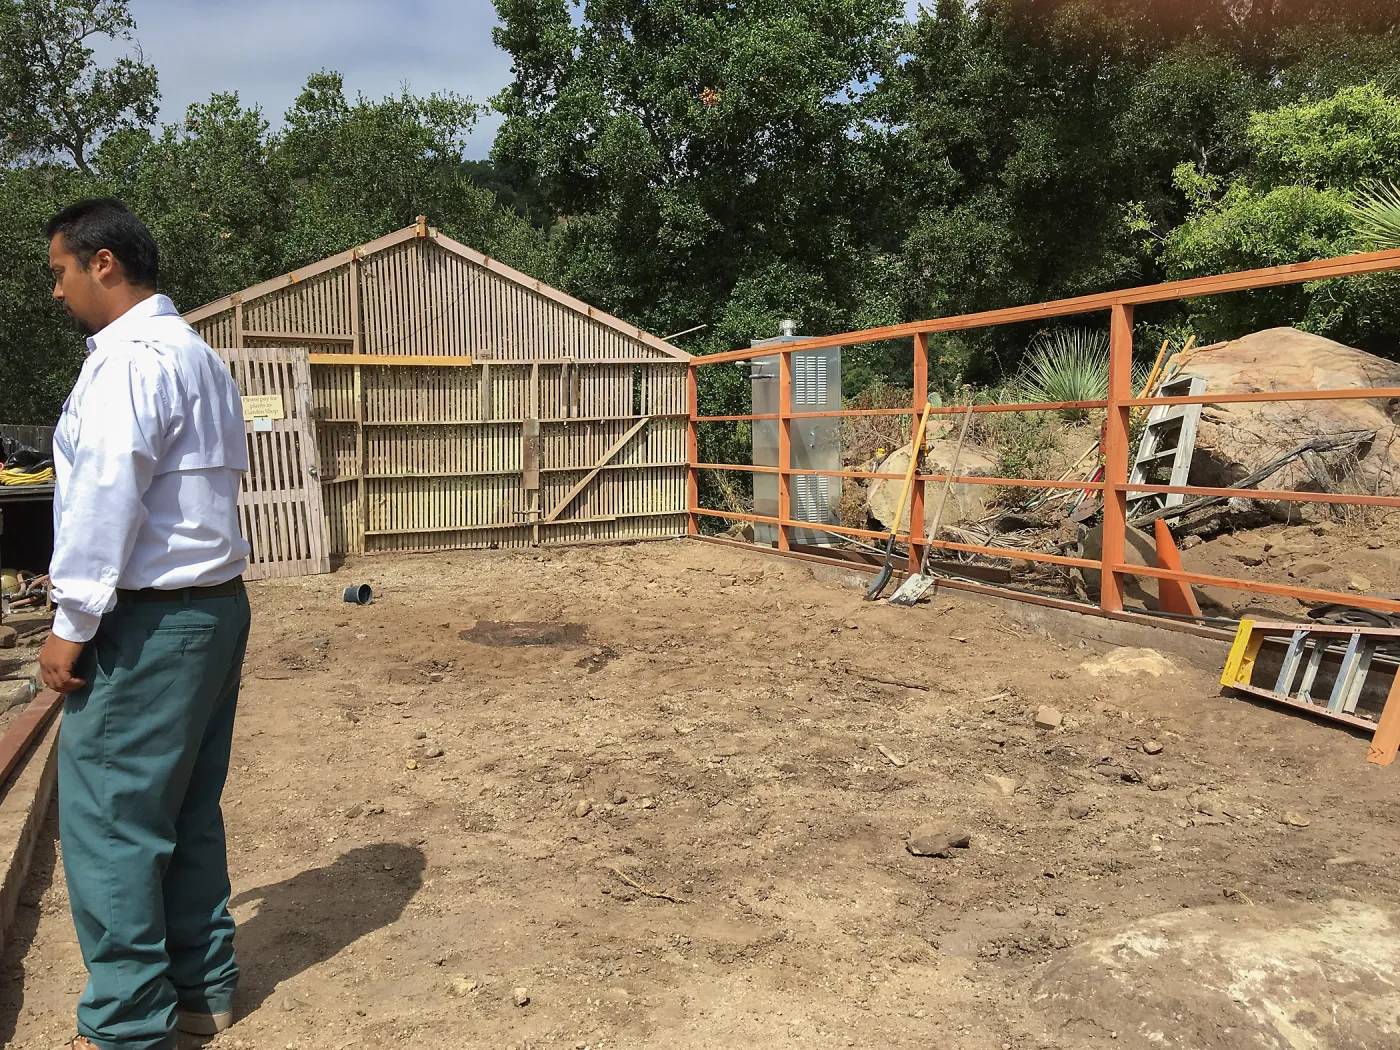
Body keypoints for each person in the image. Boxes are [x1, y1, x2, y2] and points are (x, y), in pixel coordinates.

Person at [38, 198, 251, 1050]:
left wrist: (71, 618)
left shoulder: (128, 362)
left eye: (58, 272)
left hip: (150, 619)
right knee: (186, 803)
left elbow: (105, 494)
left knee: (111, 815)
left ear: (102, 264)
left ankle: (128, 1023)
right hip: (213, 608)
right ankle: (204, 986)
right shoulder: (198, 357)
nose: (54, 292)